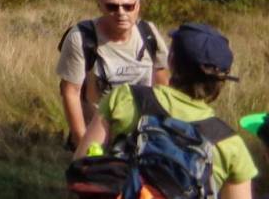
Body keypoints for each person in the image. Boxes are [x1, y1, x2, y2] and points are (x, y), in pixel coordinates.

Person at [76, 22, 257, 199]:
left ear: (171, 60)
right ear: (221, 82)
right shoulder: (231, 144)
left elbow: (80, 167)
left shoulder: (126, 97)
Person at [58, 0, 169, 148]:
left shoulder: (149, 33)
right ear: (100, 6)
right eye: (112, 7)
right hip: (98, 134)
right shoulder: (82, 37)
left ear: (138, 6)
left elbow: (163, 85)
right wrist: (82, 143)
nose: (121, 13)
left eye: (128, 6)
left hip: (143, 135)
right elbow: (70, 92)